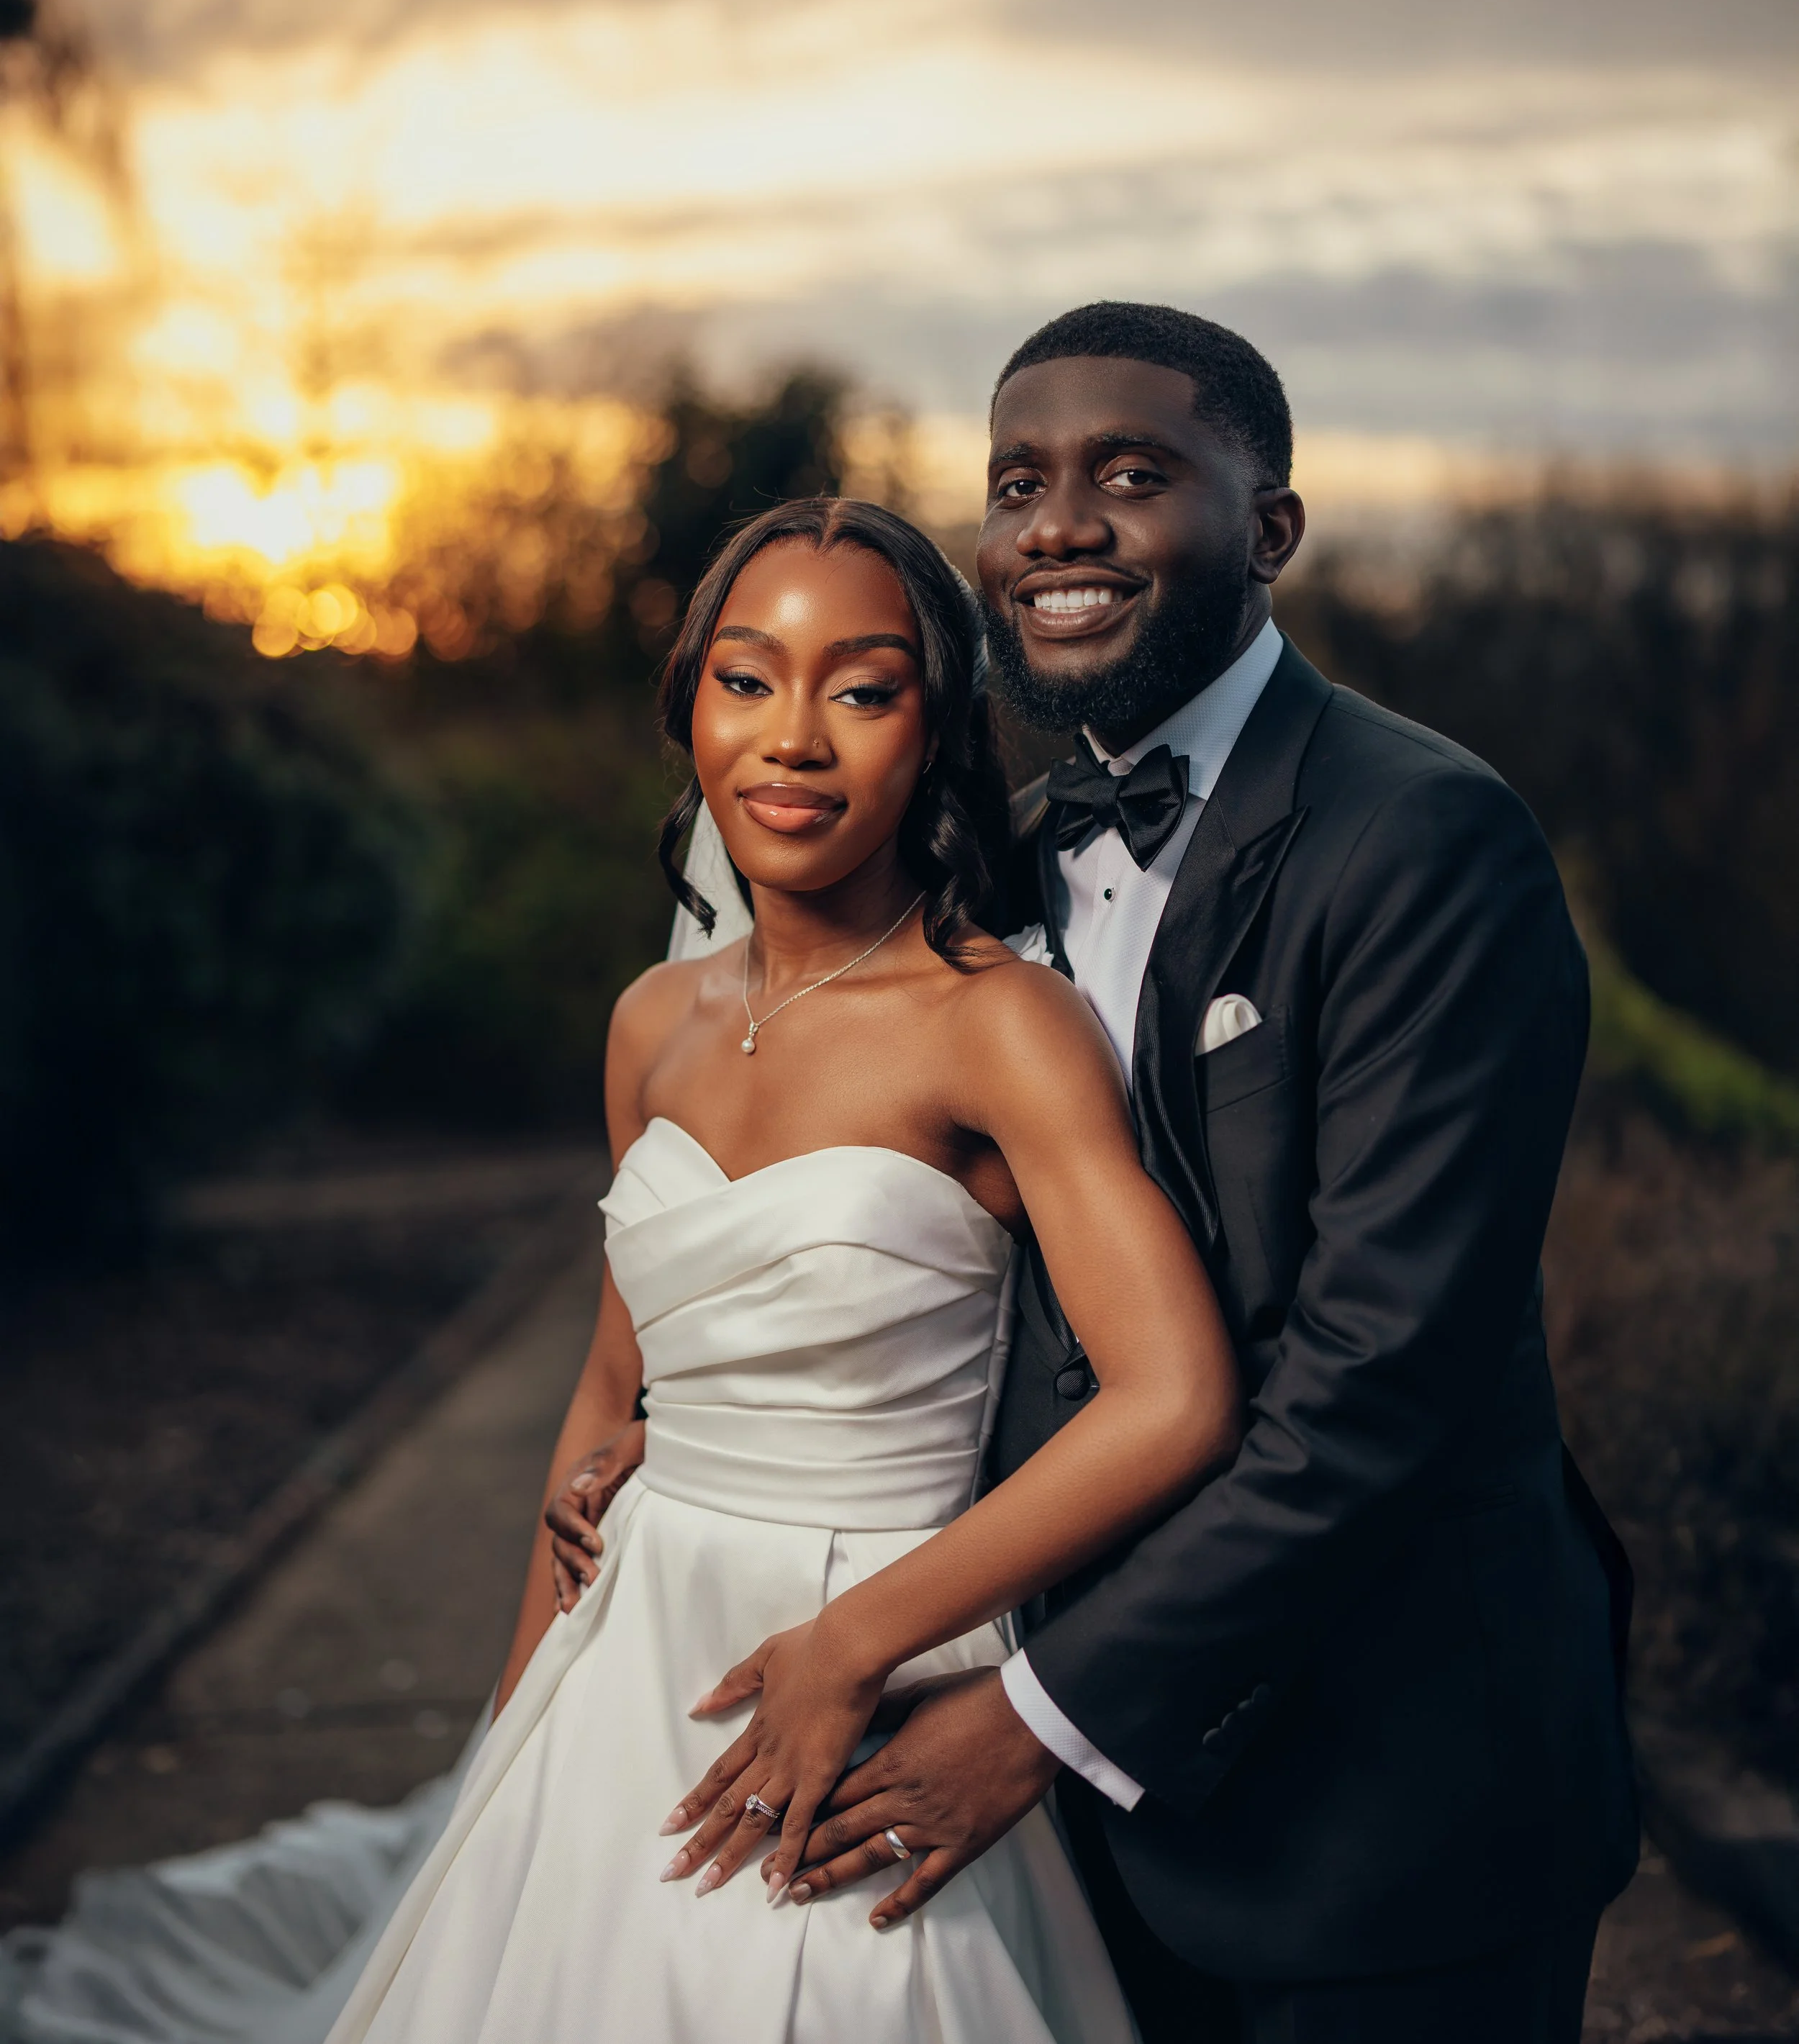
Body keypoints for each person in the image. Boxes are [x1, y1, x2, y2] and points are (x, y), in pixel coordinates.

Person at [556, 304, 1639, 2044]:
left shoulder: (1422, 840)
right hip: (1081, 1833)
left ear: (1267, 529)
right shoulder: (1006, 852)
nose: (1057, 523)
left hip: (1382, 1791)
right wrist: (692, 1414)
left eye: (1131, 476)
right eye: (1017, 482)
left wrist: (1037, 1711)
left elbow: (1381, 1382)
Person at [325, 494, 1244, 2042]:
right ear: (690, 706)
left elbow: (1174, 1398)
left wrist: (857, 1638)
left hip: (869, 1644)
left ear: (934, 725)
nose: (793, 738)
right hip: (625, 1655)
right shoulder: (649, 1021)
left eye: (862, 688)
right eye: (746, 679)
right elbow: (616, 1379)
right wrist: (512, 1723)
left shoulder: (995, 1022)